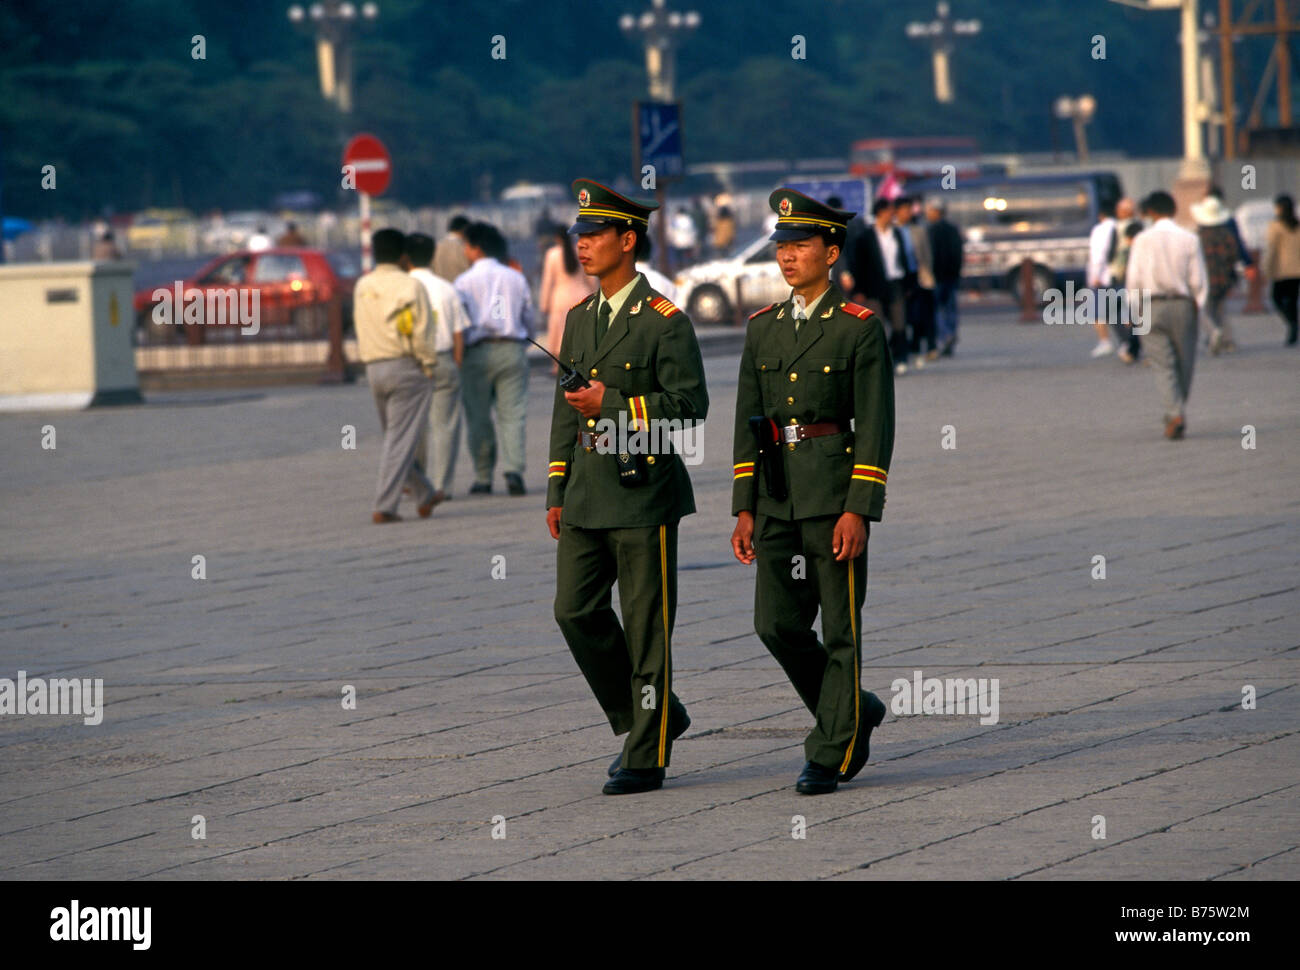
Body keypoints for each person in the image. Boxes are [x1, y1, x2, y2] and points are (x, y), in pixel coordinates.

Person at [546, 179, 709, 795]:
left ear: (627, 240)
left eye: (593, 237)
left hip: (643, 491)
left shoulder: (664, 320)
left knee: (646, 626)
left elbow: (690, 407)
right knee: (575, 610)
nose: (582, 247)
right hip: (587, 490)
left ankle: (647, 750)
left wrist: (612, 402)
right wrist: (556, 489)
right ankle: (655, 713)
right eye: (579, 237)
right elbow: (566, 410)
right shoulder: (579, 317)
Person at [730, 189, 894, 795]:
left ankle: (832, 748)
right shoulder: (762, 329)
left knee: (840, 629)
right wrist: (743, 506)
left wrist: (859, 509)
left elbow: (876, 426)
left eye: (800, 246)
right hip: (775, 498)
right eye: (782, 246)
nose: (787, 256)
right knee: (776, 624)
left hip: (831, 498)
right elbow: (748, 421)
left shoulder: (859, 329)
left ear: (830, 253)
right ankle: (855, 707)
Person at [352, 228, 442, 523]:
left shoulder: (362, 285)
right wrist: (428, 364)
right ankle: (385, 505)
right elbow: (421, 331)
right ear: (404, 256)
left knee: (395, 438)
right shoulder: (410, 285)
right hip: (406, 367)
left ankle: (424, 493)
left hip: (374, 368)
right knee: (400, 440)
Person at [455, 222, 534, 496]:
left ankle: (483, 476)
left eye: (466, 246)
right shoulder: (515, 277)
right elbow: (528, 317)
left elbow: (459, 324)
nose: (464, 251)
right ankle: (514, 471)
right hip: (512, 349)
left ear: (476, 248)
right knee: (513, 414)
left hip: (476, 352)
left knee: (478, 417)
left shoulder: (462, 283)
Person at [1124, 191, 1208, 440]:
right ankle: (1176, 410)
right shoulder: (1190, 238)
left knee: (1162, 366)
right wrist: (1198, 307)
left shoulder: (1141, 240)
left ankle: (1174, 412)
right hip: (1183, 304)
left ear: (1150, 213)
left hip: (1150, 305)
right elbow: (1198, 280)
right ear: (1174, 210)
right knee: (1185, 362)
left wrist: (1134, 311)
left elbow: (1134, 279)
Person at [406, 232, 470, 500]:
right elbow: (459, 332)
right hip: (443, 358)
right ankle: (442, 485)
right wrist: (456, 360)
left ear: (405, 257)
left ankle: (416, 483)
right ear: (432, 255)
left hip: (411, 363)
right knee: (445, 426)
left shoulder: (402, 287)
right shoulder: (447, 288)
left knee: (412, 427)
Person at [850, 198, 910, 375]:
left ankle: (901, 358)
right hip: (873, 287)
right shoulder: (865, 236)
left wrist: (908, 284)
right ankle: (883, 362)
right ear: (881, 212)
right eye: (890, 211)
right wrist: (858, 290)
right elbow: (858, 265)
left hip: (895, 283)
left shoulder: (896, 233)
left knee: (899, 322)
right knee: (878, 325)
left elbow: (903, 259)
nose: (893, 214)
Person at [1191, 193, 1247, 355]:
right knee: (1222, 309)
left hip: (1206, 277)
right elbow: (1234, 255)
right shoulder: (1227, 234)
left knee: (1205, 309)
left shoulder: (1199, 236)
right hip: (1224, 277)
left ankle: (1213, 333)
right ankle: (1228, 340)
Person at [539, 223, 596, 365]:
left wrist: (544, 304)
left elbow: (547, 281)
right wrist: (596, 295)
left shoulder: (552, 254)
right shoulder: (580, 251)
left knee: (560, 334)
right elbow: (591, 278)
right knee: (582, 331)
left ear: (556, 238)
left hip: (560, 297)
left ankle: (557, 366)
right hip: (582, 295)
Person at [899, 197, 936, 366]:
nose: (908, 213)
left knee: (921, 314)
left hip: (918, 276)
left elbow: (927, 255)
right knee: (902, 314)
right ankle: (903, 348)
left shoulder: (918, 230)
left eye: (909, 210)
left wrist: (928, 275)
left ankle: (920, 346)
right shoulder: (893, 231)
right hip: (899, 277)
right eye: (905, 209)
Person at [926, 198, 963, 358]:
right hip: (951, 276)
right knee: (950, 308)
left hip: (937, 277)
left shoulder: (930, 230)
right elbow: (958, 253)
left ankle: (945, 336)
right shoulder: (953, 229)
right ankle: (951, 333)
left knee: (936, 309)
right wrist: (956, 272)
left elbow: (930, 255)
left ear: (936, 211)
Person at [1109, 198, 1142, 364]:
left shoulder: (1116, 228)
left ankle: (1128, 344)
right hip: (1133, 279)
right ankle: (1133, 346)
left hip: (1122, 277)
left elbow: (1110, 254)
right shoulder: (1142, 226)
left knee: (1116, 311)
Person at [1264, 194, 1300, 346]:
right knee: (1292, 301)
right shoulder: (1297, 226)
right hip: (1297, 271)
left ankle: (1292, 324)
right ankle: (1293, 326)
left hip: (1282, 271)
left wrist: (1267, 269)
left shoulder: (1275, 226)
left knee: (1276, 298)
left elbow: (1271, 250)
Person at [1086, 203, 1121, 358]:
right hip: (1119, 275)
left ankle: (1105, 342)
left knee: (1098, 312)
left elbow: (1097, 255)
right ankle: (1128, 343)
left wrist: (1095, 275)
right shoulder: (1121, 227)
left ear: (1101, 215)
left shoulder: (1099, 230)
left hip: (1102, 277)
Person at [434, 214, 472, 284]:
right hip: (459, 290)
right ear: (465, 230)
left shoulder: (436, 246)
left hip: (439, 289)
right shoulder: (465, 248)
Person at [668, 206, 698, 270]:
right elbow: (694, 231)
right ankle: (689, 267)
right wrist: (693, 240)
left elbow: (671, 231)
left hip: (678, 242)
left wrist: (671, 239)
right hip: (688, 242)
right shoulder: (689, 219)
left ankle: (680, 268)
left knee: (679, 257)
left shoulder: (675, 220)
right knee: (688, 257)